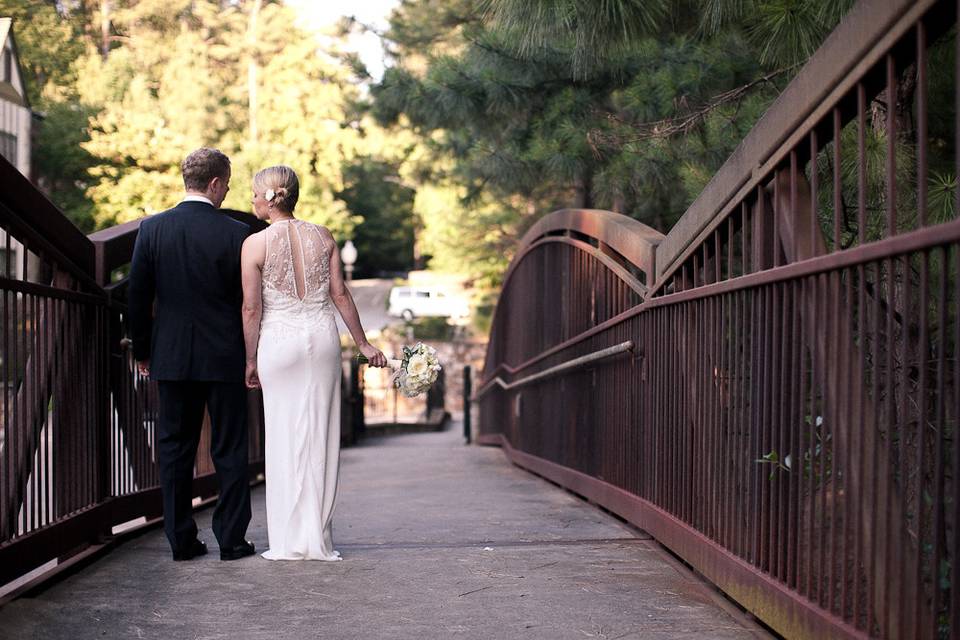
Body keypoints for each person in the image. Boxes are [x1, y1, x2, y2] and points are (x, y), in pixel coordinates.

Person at [240, 165, 386, 560]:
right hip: (321, 339)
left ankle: (288, 539)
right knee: (321, 434)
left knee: (284, 435)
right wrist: (363, 343)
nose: (251, 200)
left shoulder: (254, 245)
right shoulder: (323, 236)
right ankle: (317, 536)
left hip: (279, 343)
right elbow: (340, 294)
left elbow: (252, 309)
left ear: (267, 200)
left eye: (253, 194)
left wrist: (250, 359)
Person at [128, 147, 256, 561]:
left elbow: (137, 297)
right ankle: (232, 541)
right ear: (216, 183)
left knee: (175, 448)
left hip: (173, 356)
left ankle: (182, 541)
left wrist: (143, 351)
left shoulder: (152, 229)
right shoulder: (237, 234)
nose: (227, 192)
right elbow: (247, 302)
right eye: (227, 185)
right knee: (230, 448)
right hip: (224, 357)